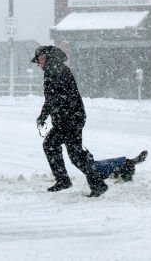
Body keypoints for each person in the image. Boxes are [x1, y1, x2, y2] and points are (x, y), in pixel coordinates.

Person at [31, 45, 107, 197]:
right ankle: (64, 180)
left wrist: (52, 114)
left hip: (71, 119)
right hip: (66, 119)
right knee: (54, 146)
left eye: (40, 59)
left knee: (73, 155)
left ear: (48, 57)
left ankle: (96, 183)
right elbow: (51, 99)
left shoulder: (57, 71)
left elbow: (60, 98)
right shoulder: (52, 71)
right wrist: (44, 115)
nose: (38, 64)